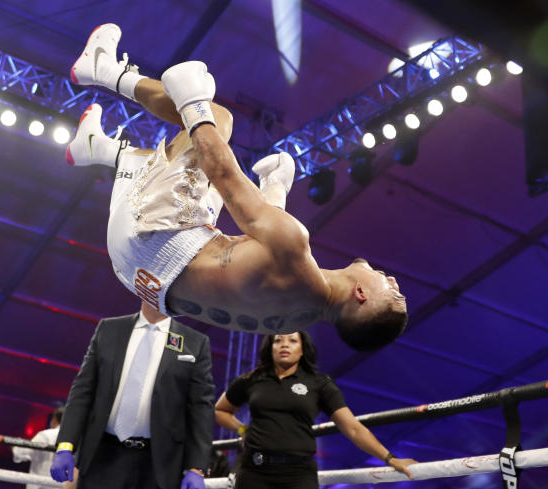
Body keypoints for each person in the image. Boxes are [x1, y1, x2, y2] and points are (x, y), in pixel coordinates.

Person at [66, 23, 407, 351]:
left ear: (361, 294)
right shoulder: (292, 319)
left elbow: (224, 172)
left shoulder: (293, 250)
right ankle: (99, 148)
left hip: (154, 238)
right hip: (138, 277)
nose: (393, 282)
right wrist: (276, 187)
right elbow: (261, 249)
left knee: (219, 121)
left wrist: (192, 104)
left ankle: (105, 71)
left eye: (394, 294)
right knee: (203, 199)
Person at [214, 332, 417, 489]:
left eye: (292, 340)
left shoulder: (318, 383)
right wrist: (242, 429)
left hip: (298, 477)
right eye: (278, 340)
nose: (284, 345)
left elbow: (353, 428)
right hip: (255, 475)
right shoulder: (252, 379)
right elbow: (221, 410)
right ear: (270, 347)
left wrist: (390, 458)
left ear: (303, 349)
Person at [49, 301, 215, 489]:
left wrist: (197, 467)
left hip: (157, 469)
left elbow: (201, 409)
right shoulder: (110, 329)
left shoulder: (194, 343)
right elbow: (82, 393)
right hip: (103, 459)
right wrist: (65, 446)